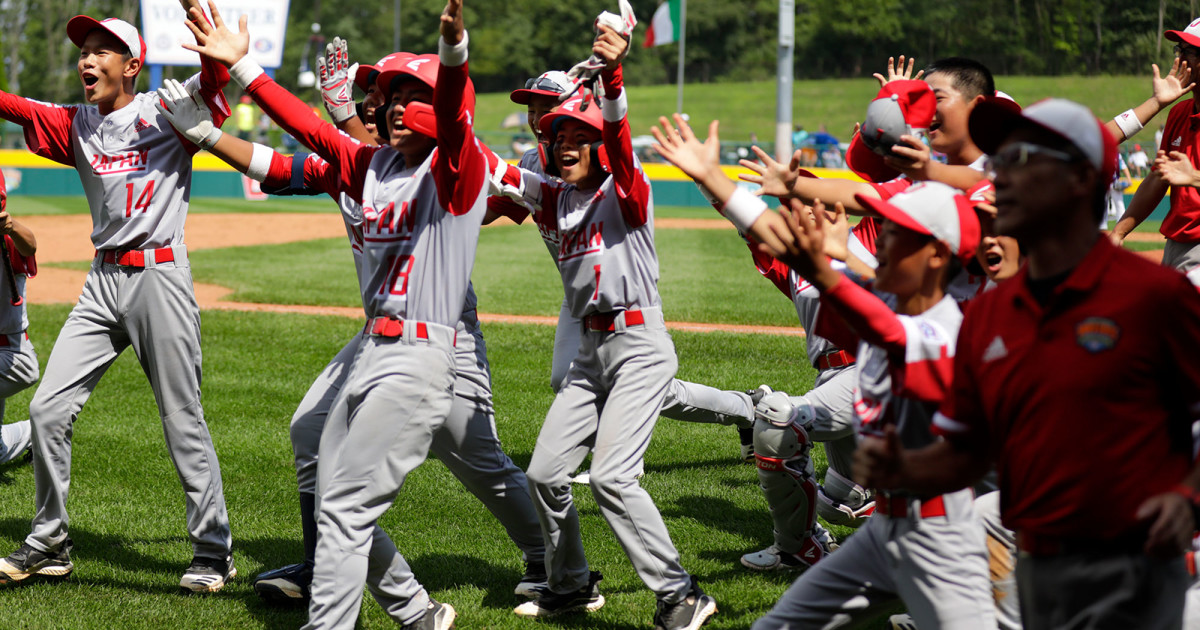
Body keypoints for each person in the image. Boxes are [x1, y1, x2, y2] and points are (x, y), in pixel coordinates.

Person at [157, 38, 549, 604]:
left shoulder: (443, 165)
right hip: (378, 334)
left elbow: (489, 180)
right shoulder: (360, 166)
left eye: (391, 96)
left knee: (474, 456)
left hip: (444, 331)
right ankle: (328, 565)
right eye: (371, 96)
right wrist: (208, 135)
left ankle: (549, 555)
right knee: (312, 435)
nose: (376, 104)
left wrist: (451, 59)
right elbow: (283, 162)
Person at [857, 97, 1200, 630]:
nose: (998, 174)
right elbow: (970, 452)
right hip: (1036, 563)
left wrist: (1185, 498)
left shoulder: (1154, 297)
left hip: (1136, 567)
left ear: (1078, 182)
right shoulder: (990, 313)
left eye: (1021, 160)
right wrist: (905, 469)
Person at [651, 111, 995, 629]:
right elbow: (786, 239)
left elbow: (872, 309)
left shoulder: (937, 329)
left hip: (943, 538)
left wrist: (833, 263)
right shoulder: (894, 288)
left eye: (899, 235)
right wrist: (712, 177)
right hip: (888, 536)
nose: (884, 239)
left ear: (936, 256)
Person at [0, 8, 236, 592]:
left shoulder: (167, 109)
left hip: (160, 277)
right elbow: (15, 106)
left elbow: (213, 87)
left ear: (132, 65)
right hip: (101, 282)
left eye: (103, 49)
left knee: (182, 419)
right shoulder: (75, 123)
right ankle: (49, 542)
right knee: (46, 410)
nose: (87, 58)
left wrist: (214, 53)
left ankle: (213, 550)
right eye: (84, 50)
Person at [497, 27, 717, 630]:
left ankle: (680, 593)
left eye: (576, 137)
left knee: (614, 477)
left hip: (640, 345)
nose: (564, 145)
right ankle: (568, 585)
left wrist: (613, 79)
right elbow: (484, 166)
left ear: (596, 144)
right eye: (556, 136)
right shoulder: (554, 198)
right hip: (590, 350)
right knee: (544, 474)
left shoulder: (626, 190)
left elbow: (619, 135)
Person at [499, 71, 756, 461]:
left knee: (629, 383)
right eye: (533, 110)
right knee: (573, 380)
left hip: (624, 294)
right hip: (580, 295)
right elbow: (494, 204)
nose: (537, 118)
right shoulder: (535, 161)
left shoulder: (605, 165)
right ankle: (745, 409)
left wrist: (612, 81)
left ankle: (618, 461)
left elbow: (618, 147)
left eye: (547, 108)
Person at [1112, 19, 1200, 271]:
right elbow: (1157, 178)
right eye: (1179, 50)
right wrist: (1119, 232)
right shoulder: (1180, 112)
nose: (1181, 59)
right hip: (1176, 245)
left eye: (1189, 52)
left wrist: (1194, 177)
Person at [0, 170, 38, 466]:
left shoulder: (8, 242)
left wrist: (10, 227)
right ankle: (39, 431)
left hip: (11, 353)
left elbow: (29, 245)